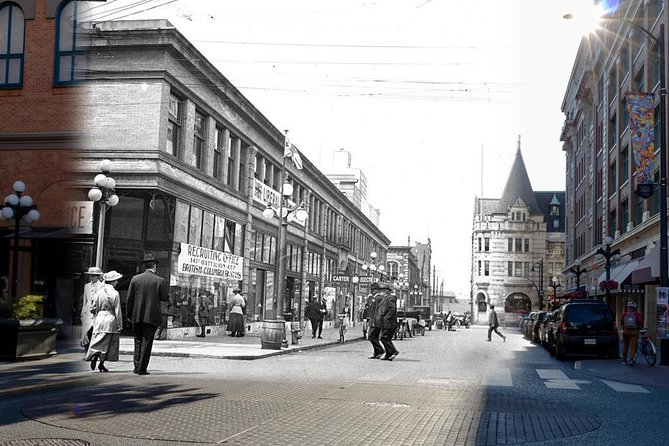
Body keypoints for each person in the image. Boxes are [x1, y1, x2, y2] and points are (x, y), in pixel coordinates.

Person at [126, 253, 169, 375]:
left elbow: (130, 299)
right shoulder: (160, 281)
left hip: (137, 316)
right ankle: (142, 368)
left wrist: (129, 315)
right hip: (152, 316)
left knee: (137, 340)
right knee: (147, 341)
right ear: (154, 266)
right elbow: (165, 297)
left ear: (144, 266)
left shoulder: (135, 279)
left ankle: (136, 365)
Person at [85, 270, 123, 372]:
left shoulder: (99, 292)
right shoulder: (115, 293)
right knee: (108, 343)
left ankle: (96, 357)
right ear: (113, 281)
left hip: (99, 319)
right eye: (116, 281)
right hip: (110, 320)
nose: (117, 282)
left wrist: (97, 313)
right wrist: (120, 325)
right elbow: (117, 310)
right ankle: (101, 363)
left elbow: (92, 308)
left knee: (98, 340)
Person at [80, 266, 104, 352]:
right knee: (85, 332)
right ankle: (86, 351)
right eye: (90, 275)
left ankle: (92, 351)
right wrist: (82, 313)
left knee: (94, 332)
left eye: (94, 275)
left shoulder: (102, 286)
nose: (92, 277)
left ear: (98, 276)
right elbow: (85, 301)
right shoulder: (86, 286)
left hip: (96, 312)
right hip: (87, 312)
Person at [376, 282, 399, 361]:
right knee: (385, 337)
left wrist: (387, 317)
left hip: (389, 323)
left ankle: (393, 351)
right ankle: (388, 354)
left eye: (382, 290)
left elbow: (393, 309)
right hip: (386, 322)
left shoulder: (390, 298)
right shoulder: (386, 298)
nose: (381, 292)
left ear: (387, 291)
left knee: (384, 337)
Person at [621, 301, 644, 366]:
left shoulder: (625, 314)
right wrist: (640, 327)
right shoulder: (637, 314)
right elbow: (640, 322)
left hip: (626, 331)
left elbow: (622, 322)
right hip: (634, 331)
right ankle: (631, 360)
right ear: (635, 308)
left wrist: (624, 327)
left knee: (625, 346)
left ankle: (624, 360)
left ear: (628, 307)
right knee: (633, 347)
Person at [367, 283, 385, 359]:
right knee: (374, 336)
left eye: (373, 290)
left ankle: (380, 350)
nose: (371, 291)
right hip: (373, 320)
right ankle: (376, 353)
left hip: (375, 321)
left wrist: (374, 321)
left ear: (377, 290)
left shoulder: (378, 298)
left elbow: (377, 311)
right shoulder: (375, 298)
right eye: (371, 289)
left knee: (371, 336)